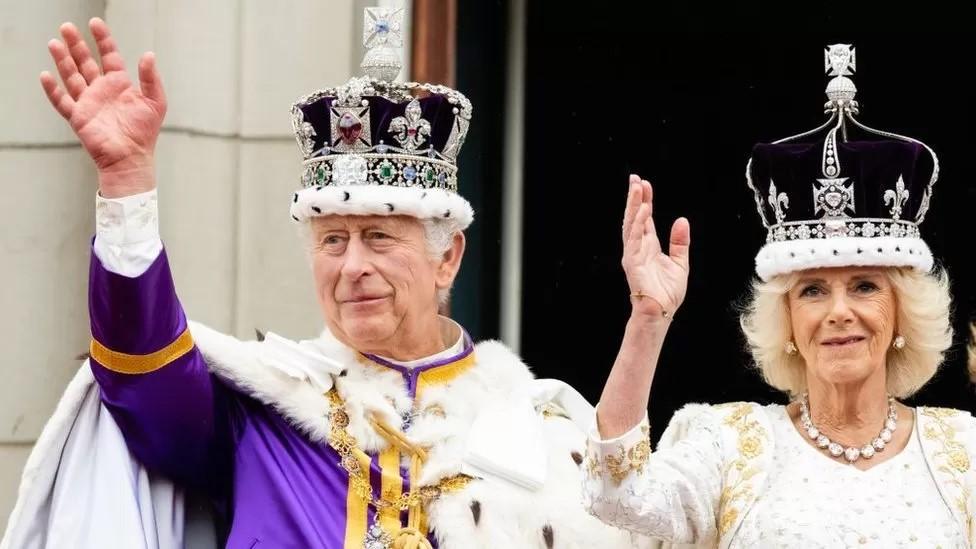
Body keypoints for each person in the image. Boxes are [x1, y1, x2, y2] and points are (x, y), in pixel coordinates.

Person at [2, 10, 652, 549]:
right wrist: (125, 182)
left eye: (378, 238)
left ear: (448, 258)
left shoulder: (540, 432)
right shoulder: (260, 411)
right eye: (332, 240)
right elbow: (144, 373)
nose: (352, 266)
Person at [582, 44, 975, 548]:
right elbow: (615, 496)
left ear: (903, 312)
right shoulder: (731, 446)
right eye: (812, 290)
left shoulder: (962, 453)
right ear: (786, 317)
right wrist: (648, 321)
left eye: (865, 286)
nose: (839, 312)